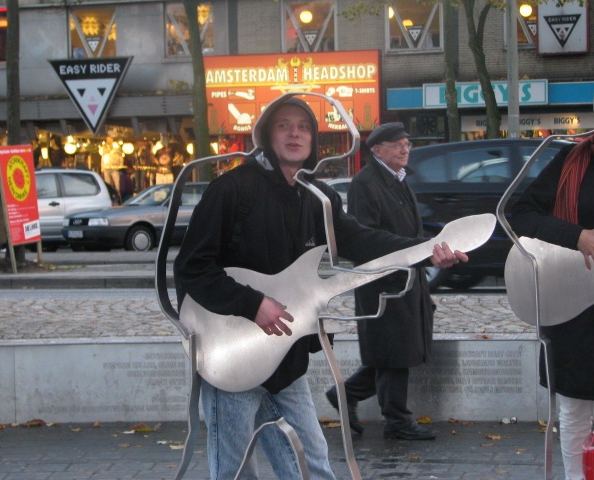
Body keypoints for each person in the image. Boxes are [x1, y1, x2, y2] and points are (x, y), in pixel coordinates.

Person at [173, 96, 467, 479]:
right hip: (230, 358)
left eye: (303, 127)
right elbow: (192, 268)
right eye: (284, 125)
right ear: (266, 134)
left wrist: (428, 252)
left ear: (313, 138)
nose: (294, 133)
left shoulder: (318, 197)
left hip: (286, 359)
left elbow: (363, 241)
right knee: (234, 472)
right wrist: (252, 303)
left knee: (313, 468)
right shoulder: (230, 190)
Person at [510, 108, 594, 480]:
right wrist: (575, 236)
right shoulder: (574, 157)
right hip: (574, 302)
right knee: (574, 407)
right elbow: (520, 213)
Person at [325, 122, 437, 441]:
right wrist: (414, 253)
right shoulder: (366, 184)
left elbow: (410, 230)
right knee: (394, 350)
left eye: (407, 144)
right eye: (397, 144)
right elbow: (365, 238)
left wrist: (425, 252)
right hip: (384, 282)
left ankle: (346, 394)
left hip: (407, 275)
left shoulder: (399, 179)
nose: (405, 149)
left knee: (398, 349)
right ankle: (396, 420)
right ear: (377, 150)